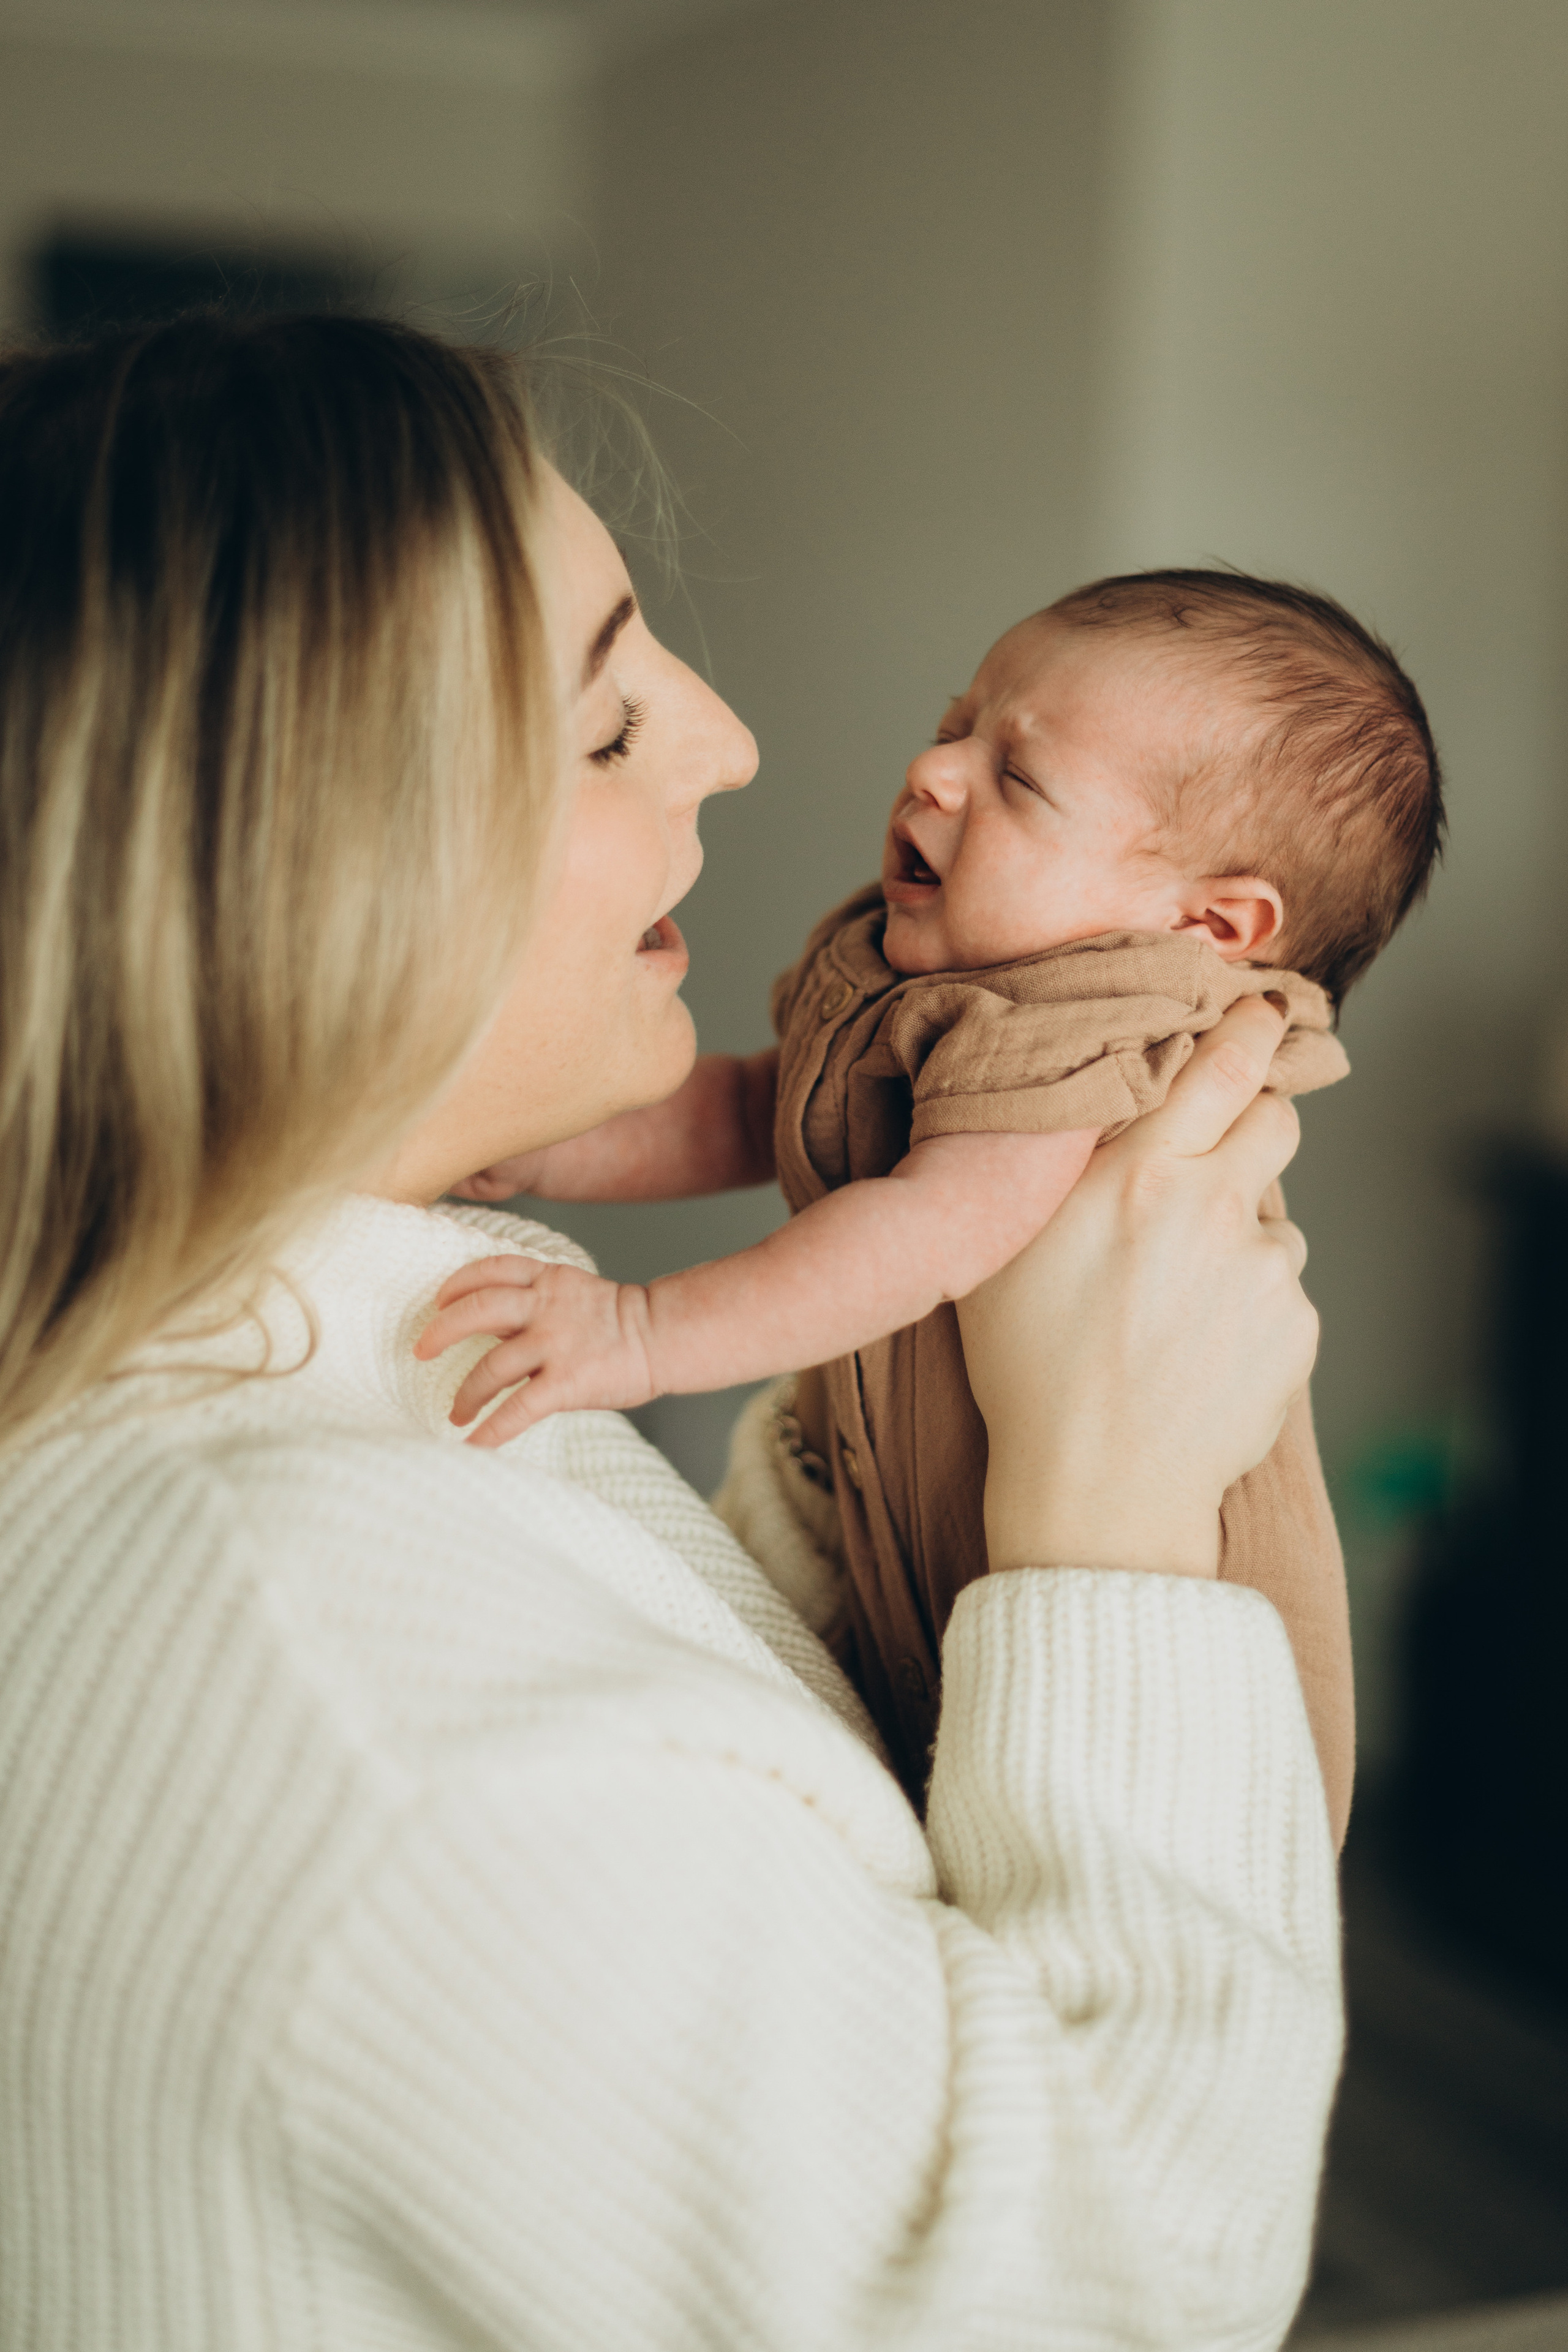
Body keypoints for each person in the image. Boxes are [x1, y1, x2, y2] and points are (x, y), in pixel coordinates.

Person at [0, 313, 1341, 2351]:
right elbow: (1111, 2309)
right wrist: (1112, 1521)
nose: (730, 738)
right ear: (313, 875)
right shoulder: (398, 1721)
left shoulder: (319, 1377)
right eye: (612, 721)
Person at [417, 575, 1442, 1835]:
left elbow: (927, 1230)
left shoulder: (1104, 1024)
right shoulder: (921, 962)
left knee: (1012, 1828)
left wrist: (635, 1332)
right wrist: (542, 1138)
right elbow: (759, 1108)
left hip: (1148, 1631)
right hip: (897, 1536)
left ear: (1208, 924)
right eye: (955, 721)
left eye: (1016, 778)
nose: (933, 769)